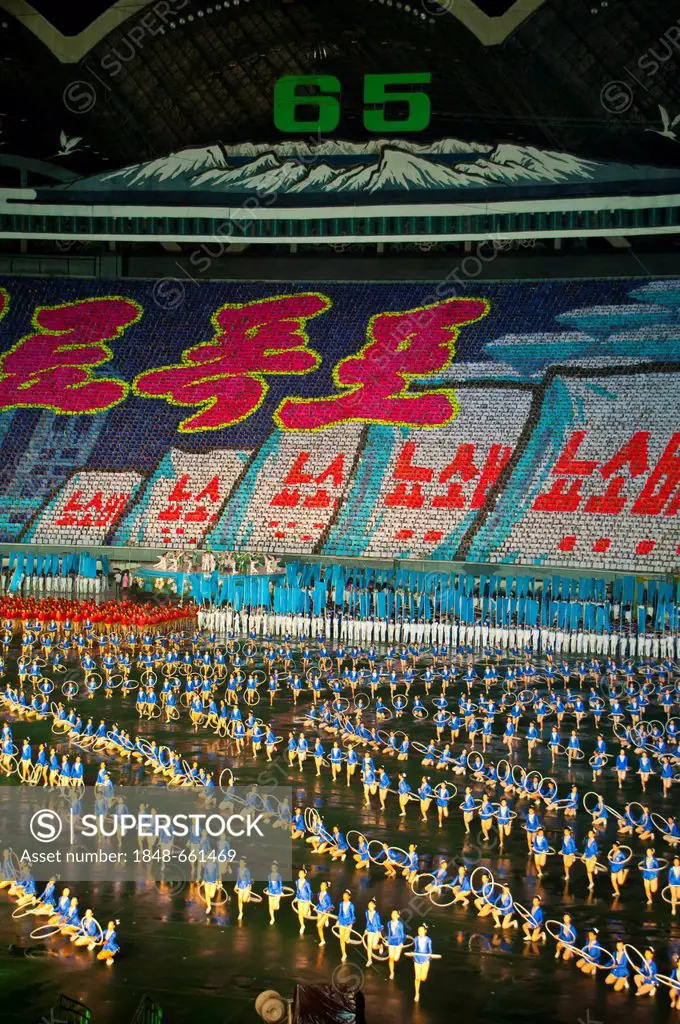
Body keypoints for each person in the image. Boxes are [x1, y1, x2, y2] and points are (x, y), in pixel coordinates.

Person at [412, 924, 434, 1003]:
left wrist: (429, 954)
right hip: (417, 958)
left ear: (425, 931)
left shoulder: (428, 940)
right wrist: (413, 953)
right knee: (417, 978)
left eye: (421, 930)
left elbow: (430, 950)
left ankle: (423, 977)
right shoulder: (416, 939)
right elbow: (415, 948)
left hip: (425, 959)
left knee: (423, 978)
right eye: (418, 930)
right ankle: (417, 993)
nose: (420, 932)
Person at [336, 890, 356, 962]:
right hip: (342, 922)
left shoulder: (351, 905)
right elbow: (340, 913)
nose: (344, 898)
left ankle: (348, 938)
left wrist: (350, 924)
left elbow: (353, 916)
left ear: (349, 897)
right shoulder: (341, 904)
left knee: (346, 940)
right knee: (341, 939)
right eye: (343, 896)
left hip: (348, 923)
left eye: (346, 896)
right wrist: (338, 921)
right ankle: (344, 954)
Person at [387, 909, 406, 979]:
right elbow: (389, 932)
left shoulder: (400, 924)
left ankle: (398, 952)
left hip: (398, 942)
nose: (393, 915)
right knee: (391, 958)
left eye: (395, 914)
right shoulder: (389, 923)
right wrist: (388, 940)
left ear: (398, 916)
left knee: (396, 959)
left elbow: (403, 934)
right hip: (391, 942)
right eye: (392, 914)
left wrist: (401, 942)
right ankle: (392, 972)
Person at [364, 898, 383, 967]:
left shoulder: (377, 915)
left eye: (371, 905)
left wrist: (379, 932)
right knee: (369, 946)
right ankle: (369, 960)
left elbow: (378, 924)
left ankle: (380, 946)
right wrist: (366, 929)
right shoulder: (366, 912)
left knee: (374, 946)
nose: (370, 906)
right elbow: (368, 922)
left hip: (376, 931)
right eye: (369, 905)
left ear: (374, 906)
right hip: (370, 930)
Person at [295, 869, 312, 935]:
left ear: (304, 875)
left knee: (305, 914)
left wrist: (309, 900)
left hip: (306, 900)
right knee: (300, 914)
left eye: (302, 873)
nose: (300, 875)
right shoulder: (297, 882)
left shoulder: (307, 883)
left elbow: (310, 892)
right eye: (299, 873)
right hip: (300, 899)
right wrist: (296, 897)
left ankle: (308, 909)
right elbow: (297, 890)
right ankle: (302, 926)